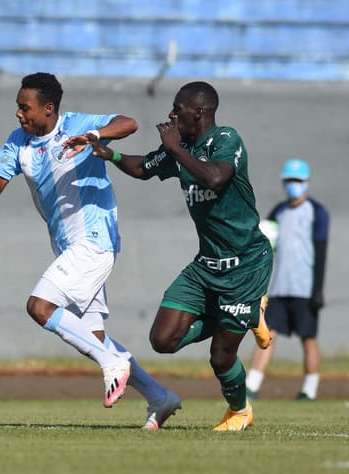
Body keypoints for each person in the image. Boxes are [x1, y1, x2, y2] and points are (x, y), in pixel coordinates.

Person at [0, 72, 181, 430]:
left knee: (40, 306)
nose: (19, 114)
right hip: (68, 247)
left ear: (48, 108)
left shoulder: (77, 126)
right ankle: (160, 397)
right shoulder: (18, 142)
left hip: (95, 240)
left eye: (25, 108)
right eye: (18, 107)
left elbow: (128, 123)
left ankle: (111, 365)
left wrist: (95, 137)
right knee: (94, 336)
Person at [87, 81, 273, 431]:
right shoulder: (181, 148)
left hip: (246, 264)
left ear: (198, 112)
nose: (171, 114)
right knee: (163, 340)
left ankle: (240, 411)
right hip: (206, 266)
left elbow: (216, 178)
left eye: (178, 108)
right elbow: (143, 167)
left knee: (220, 357)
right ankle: (249, 314)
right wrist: (108, 154)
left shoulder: (226, 139)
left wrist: (175, 149)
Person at [246, 158, 329, 401]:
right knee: (267, 335)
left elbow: (321, 252)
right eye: (289, 180)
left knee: (309, 338)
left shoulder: (317, 212)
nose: (293, 185)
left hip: (305, 288)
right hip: (280, 287)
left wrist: (318, 290)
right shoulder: (278, 212)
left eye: (298, 180)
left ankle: (309, 389)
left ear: (307, 183)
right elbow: (265, 247)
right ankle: (252, 385)